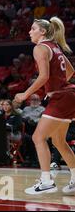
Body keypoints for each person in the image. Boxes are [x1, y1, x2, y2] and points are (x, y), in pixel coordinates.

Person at [15, 17, 75, 195]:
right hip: (69, 95)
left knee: (38, 138)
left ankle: (46, 181)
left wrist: (24, 95)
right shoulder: (55, 46)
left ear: (42, 32)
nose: (29, 32)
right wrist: (59, 84)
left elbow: (43, 77)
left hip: (62, 97)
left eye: (33, 29)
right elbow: (71, 71)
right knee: (58, 141)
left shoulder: (40, 48)